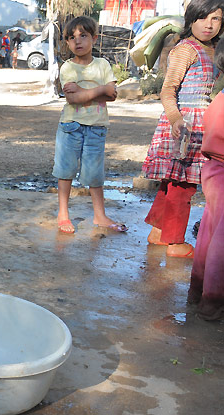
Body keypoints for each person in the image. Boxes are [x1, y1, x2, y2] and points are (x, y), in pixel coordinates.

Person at [142, 0, 223, 258]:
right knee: (183, 185)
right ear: (191, 20)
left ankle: (158, 231)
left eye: (216, 19)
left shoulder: (214, 50)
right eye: (203, 18)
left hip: (200, 125)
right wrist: (177, 120)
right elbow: (168, 90)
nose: (209, 25)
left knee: (172, 181)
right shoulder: (186, 49)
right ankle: (175, 243)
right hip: (184, 126)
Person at [53, 16, 125, 234]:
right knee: (66, 171)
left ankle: (99, 215)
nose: (78, 41)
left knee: (95, 174)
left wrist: (89, 92)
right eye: (72, 38)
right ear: (67, 42)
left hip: (96, 127)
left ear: (94, 38)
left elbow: (112, 94)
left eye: (83, 35)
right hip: (71, 126)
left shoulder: (103, 65)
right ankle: (63, 214)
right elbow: (73, 100)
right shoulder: (67, 68)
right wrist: (99, 90)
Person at [188, 39, 224, 320]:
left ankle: (197, 292)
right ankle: (213, 301)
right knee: (221, 240)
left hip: (212, 171)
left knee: (209, 233)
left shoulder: (219, 99)